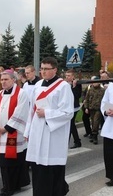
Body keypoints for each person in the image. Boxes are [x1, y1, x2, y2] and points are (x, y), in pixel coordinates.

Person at [24, 57, 74, 196]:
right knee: (38, 168)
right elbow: (32, 110)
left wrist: (47, 113)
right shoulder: (38, 85)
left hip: (53, 134)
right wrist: (28, 131)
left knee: (52, 169)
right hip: (37, 130)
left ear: (55, 70)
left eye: (46, 69)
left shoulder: (63, 86)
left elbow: (68, 112)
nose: (43, 72)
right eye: (42, 68)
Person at [0, 70, 30, 196]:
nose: (3, 82)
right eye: (2, 80)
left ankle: (11, 187)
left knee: (14, 161)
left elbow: (20, 112)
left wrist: (7, 128)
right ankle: (8, 186)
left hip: (14, 133)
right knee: (4, 162)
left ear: (13, 80)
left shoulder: (21, 93)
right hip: (1, 133)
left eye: (6, 79)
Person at [83, 76, 105, 145]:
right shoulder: (90, 90)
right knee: (92, 122)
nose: (94, 84)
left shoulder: (102, 90)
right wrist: (86, 107)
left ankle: (95, 136)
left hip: (98, 108)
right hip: (91, 108)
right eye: (93, 82)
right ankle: (93, 134)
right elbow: (86, 99)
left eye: (96, 82)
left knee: (96, 122)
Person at [65, 69, 82, 149]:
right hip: (67, 107)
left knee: (70, 124)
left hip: (74, 107)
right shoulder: (65, 84)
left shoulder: (77, 84)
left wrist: (74, 87)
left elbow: (77, 96)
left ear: (73, 76)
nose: (67, 77)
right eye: (66, 75)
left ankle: (71, 142)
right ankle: (77, 141)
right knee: (71, 125)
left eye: (69, 75)